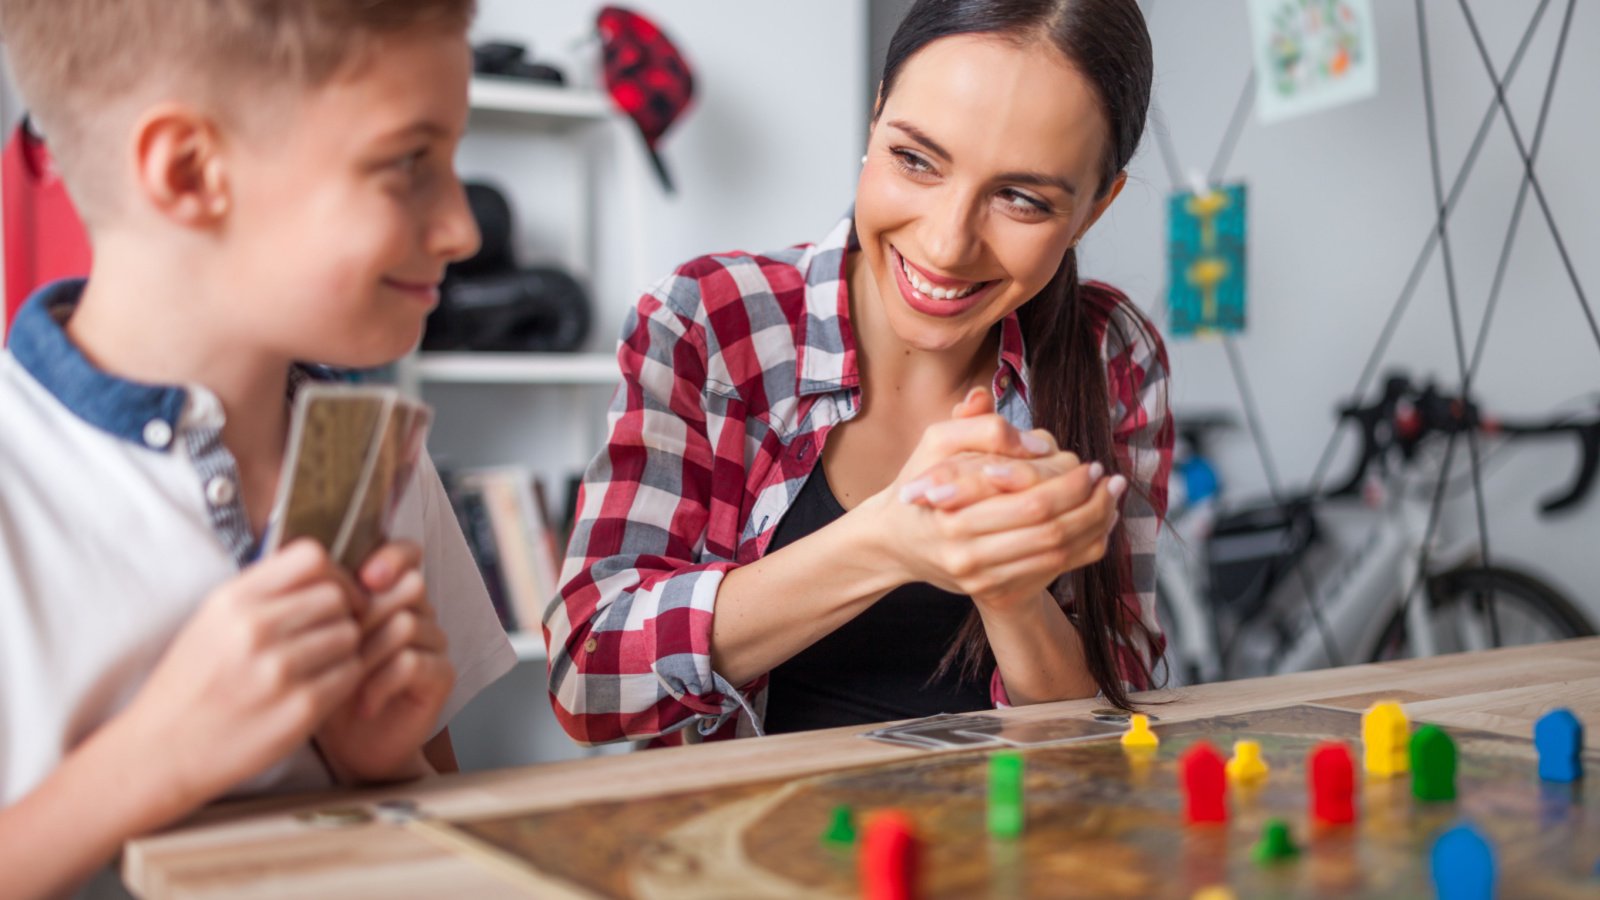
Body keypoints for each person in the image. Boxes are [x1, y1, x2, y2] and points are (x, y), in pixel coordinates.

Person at [549, 0, 1172, 746]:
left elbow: (1114, 726)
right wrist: (886, 541)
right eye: (916, 159)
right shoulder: (710, 323)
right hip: (740, 847)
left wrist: (1011, 594)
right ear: (875, 120)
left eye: (1021, 199)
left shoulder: (1109, 352)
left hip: (1009, 847)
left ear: (1095, 209)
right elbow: (587, 679)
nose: (945, 245)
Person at [0, 2, 516, 896]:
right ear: (191, 171)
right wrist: (155, 758)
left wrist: (380, 766)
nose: (464, 229)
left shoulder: (378, 459)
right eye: (408, 164)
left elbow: (436, 840)